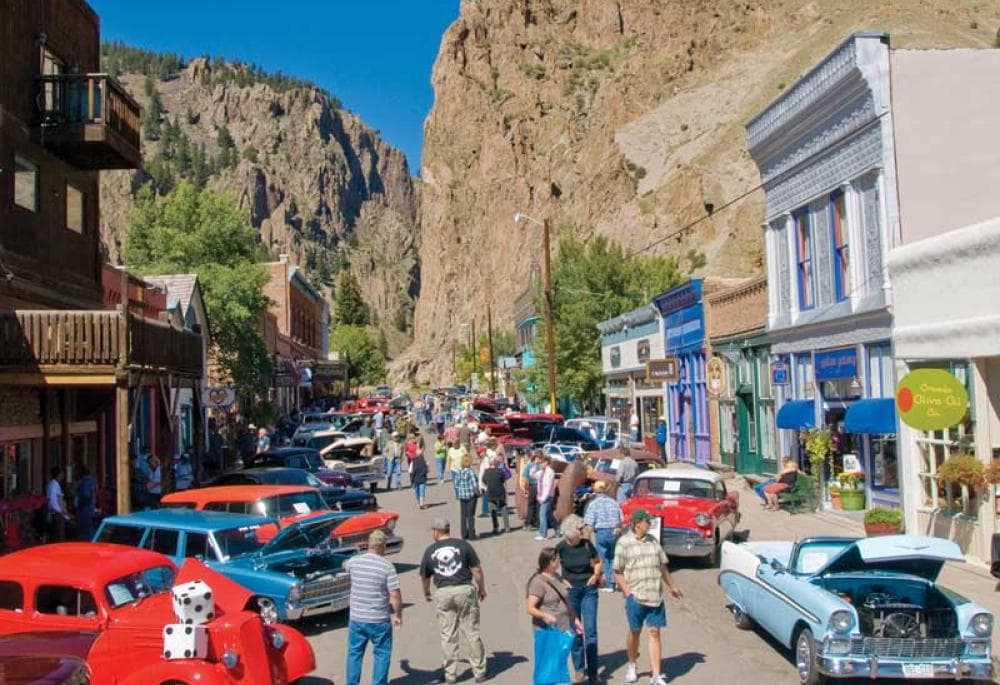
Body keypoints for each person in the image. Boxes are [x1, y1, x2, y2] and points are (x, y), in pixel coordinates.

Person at [614, 509, 683, 685]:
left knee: (654, 632)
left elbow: (662, 567)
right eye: (647, 521)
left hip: (655, 596)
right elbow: (617, 571)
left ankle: (656, 674)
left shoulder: (654, 542)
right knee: (634, 632)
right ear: (637, 523)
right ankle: (632, 663)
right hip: (636, 597)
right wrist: (627, 592)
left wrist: (672, 586)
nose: (650, 524)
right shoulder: (624, 543)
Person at [419, 518, 488, 684]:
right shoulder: (463, 545)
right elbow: (477, 569)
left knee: (448, 635)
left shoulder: (430, 550)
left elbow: (425, 576)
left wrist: (427, 592)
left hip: (443, 591)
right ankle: (479, 671)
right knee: (471, 631)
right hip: (464, 588)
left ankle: (450, 674)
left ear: (436, 531)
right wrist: (482, 588)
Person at [344, 530, 403, 685]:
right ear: (382, 546)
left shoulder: (354, 562)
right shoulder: (387, 567)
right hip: (379, 619)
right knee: (382, 654)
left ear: (368, 544)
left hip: (357, 618)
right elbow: (395, 595)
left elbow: (345, 566)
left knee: (354, 654)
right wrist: (398, 615)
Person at [526, 546, 583, 685]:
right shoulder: (538, 582)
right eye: (557, 559)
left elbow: (566, 600)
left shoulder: (556, 576)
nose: (560, 561)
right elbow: (530, 608)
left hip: (563, 628)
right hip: (547, 631)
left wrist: (574, 618)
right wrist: (545, 615)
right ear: (549, 562)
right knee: (548, 667)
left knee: (558, 664)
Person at [557, 515, 602, 684]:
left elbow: (598, 562)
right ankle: (579, 670)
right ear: (571, 532)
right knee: (575, 633)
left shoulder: (587, 545)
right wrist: (561, 580)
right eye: (580, 529)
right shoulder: (560, 548)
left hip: (589, 590)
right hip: (571, 592)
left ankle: (593, 672)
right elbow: (550, 569)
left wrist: (596, 575)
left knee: (590, 632)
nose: (583, 531)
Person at [584, 479, 621, 592]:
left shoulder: (593, 504)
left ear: (595, 491)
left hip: (601, 531)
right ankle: (616, 581)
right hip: (614, 531)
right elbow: (621, 518)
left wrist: (586, 538)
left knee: (603, 558)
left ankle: (609, 584)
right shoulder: (613, 502)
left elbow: (589, 522)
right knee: (613, 557)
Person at [481, 455, 509, 535]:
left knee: (493, 511)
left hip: (491, 493)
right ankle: (507, 527)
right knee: (504, 510)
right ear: (496, 463)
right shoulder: (500, 471)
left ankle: (495, 527)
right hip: (500, 492)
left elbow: (484, 481)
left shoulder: (486, 471)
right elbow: (503, 480)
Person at [454, 454, 480, 540]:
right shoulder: (470, 472)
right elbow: (474, 485)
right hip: (470, 496)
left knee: (463, 516)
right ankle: (472, 535)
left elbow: (456, 483)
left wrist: (459, 491)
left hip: (462, 496)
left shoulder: (459, 471)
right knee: (470, 515)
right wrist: (478, 493)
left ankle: (464, 534)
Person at [74, 463, 98, 541]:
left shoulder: (85, 482)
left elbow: (86, 496)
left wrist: (79, 506)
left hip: (85, 509)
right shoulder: (93, 480)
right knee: (89, 528)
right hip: (90, 507)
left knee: (86, 531)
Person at [535, 454, 556, 541]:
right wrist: (535, 465)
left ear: (546, 462)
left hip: (547, 496)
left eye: (541, 463)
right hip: (544, 496)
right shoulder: (543, 471)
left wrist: (543, 498)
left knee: (542, 514)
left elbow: (547, 486)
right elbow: (533, 475)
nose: (540, 464)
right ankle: (558, 530)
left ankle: (543, 534)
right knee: (549, 515)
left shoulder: (549, 472)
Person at [46, 466, 69, 542]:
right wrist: (60, 511)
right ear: (59, 474)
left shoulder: (55, 484)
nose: (63, 476)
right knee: (58, 536)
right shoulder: (53, 485)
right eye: (62, 474)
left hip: (58, 513)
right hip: (57, 514)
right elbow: (53, 501)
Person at [520, 452, 542, 530]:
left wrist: (525, 489)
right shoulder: (542, 467)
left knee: (531, 506)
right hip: (540, 487)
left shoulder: (529, 466)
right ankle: (538, 523)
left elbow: (525, 477)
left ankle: (528, 523)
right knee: (538, 505)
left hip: (532, 487)